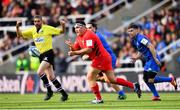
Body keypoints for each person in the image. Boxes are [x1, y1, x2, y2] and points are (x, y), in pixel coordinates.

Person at [65, 21, 141, 104]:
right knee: (111, 79)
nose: (76, 29)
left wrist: (76, 53)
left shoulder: (88, 35)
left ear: (84, 27)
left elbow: (89, 49)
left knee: (90, 77)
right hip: (105, 57)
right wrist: (71, 47)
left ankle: (99, 99)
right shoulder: (79, 36)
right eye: (75, 27)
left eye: (78, 27)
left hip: (101, 58)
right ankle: (133, 86)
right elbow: (76, 49)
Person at [16, 15, 68, 101]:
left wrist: (63, 25)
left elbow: (62, 31)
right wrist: (17, 27)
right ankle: (64, 94)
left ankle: (49, 91)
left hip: (48, 53)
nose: (36, 23)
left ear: (42, 21)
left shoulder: (47, 28)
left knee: (39, 72)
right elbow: (19, 35)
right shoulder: (32, 30)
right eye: (35, 21)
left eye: (38, 21)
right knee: (51, 77)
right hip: (41, 55)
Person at [127, 23, 177, 101]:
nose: (130, 33)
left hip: (153, 60)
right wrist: (136, 58)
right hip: (148, 61)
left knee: (150, 79)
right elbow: (140, 51)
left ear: (137, 30)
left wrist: (155, 58)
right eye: (128, 31)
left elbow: (150, 46)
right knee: (146, 79)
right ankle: (156, 96)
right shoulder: (135, 40)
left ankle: (170, 80)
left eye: (131, 30)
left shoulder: (140, 38)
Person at [86, 22, 127, 100]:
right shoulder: (93, 36)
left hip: (109, 58)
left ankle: (125, 91)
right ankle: (121, 93)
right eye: (87, 28)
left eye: (90, 28)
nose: (88, 30)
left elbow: (92, 49)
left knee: (107, 79)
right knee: (96, 78)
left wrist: (85, 54)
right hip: (103, 59)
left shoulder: (96, 36)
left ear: (94, 28)